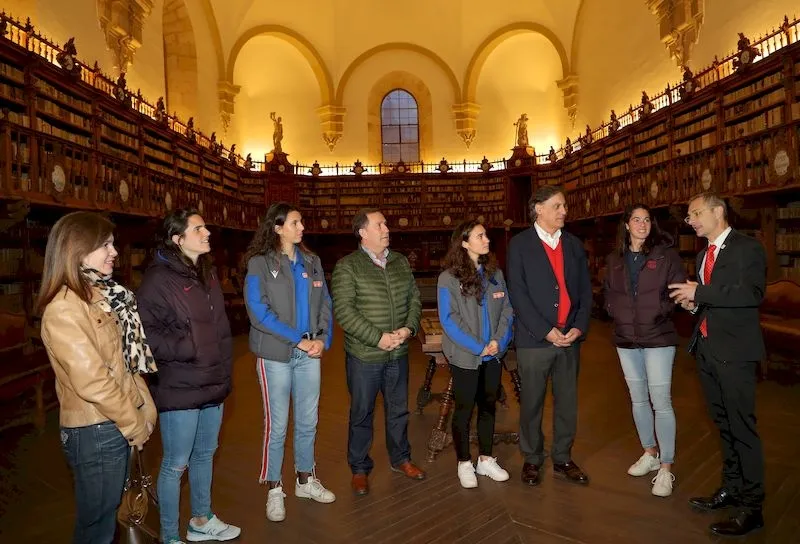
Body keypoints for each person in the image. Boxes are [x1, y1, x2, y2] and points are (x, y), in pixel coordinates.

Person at [37, 211, 157, 544]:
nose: (114, 252)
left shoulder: (99, 298)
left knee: (106, 519)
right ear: (77, 250)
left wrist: (145, 405)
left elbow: (123, 363)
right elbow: (94, 382)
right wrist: (133, 423)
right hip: (95, 431)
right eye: (105, 244)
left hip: (110, 423)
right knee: (97, 529)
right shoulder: (64, 308)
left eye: (112, 244)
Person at [137, 208, 240, 544]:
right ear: (177, 239)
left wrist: (224, 371)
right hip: (180, 384)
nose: (207, 232)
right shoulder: (158, 279)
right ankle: (169, 536)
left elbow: (220, 330)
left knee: (205, 454)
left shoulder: (206, 273)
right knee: (175, 464)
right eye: (198, 229)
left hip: (212, 380)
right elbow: (145, 334)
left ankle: (201, 520)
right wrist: (187, 347)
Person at [669, 192, 766, 537]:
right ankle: (732, 488)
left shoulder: (747, 248)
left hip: (736, 353)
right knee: (723, 426)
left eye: (695, 214)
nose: (691, 221)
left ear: (718, 211)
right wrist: (693, 305)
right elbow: (710, 302)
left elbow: (751, 294)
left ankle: (752, 508)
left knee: (742, 429)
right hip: (708, 350)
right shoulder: (702, 255)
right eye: (689, 216)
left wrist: (700, 293)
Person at [243, 202, 335, 522]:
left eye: (301, 222)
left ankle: (305, 480)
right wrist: (298, 340)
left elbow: (325, 303)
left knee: (308, 421)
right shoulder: (259, 264)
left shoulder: (312, 261)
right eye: (295, 222)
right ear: (277, 228)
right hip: (275, 355)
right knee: (277, 425)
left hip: (310, 353)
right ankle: (274, 488)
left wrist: (322, 338)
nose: (302, 227)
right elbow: (258, 311)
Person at [331, 208, 424, 496]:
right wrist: (378, 338)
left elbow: (414, 299)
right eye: (380, 225)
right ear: (363, 233)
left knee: (399, 410)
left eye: (385, 224)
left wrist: (408, 329)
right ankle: (359, 468)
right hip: (365, 356)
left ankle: (401, 459)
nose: (387, 228)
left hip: (398, 353)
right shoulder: (348, 266)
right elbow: (344, 311)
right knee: (362, 413)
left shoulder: (400, 262)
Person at [506, 185, 592, 487]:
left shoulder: (574, 245)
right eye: (557, 206)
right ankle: (532, 458)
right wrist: (546, 331)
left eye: (564, 206)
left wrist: (578, 327)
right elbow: (518, 294)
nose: (564, 211)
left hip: (570, 338)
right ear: (538, 209)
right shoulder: (519, 245)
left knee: (567, 402)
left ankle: (563, 457)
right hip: (534, 340)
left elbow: (584, 292)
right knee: (531, 402)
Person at [603, 204, 686, 497]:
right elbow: (608, 292)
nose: (642, 224)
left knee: (660, 401)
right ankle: (649, 452)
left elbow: (677, 292)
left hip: (658, 337)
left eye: (647, 220)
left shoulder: (666, 255)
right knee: (638, 399)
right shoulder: (614, 259)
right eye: (636, 220)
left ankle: (665, 467)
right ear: (626, 225)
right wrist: (614, 311)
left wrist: (658, 313)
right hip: (626, 338)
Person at [437, 220, 514, 488]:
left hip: (493, 355)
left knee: (488, 406)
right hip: (465, 357)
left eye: (486, 235)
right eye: (480, 236)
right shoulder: (448, 278)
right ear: (464, 242)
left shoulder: (495, 274)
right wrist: (479, 346)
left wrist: (499, 341)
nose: (487, 240)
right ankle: (464, 462)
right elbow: (449, 320)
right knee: (464, 409)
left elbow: (507, 310)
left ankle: (486, 459)